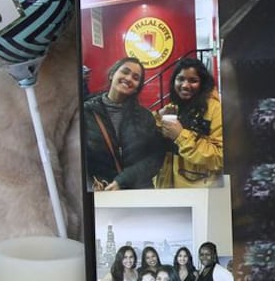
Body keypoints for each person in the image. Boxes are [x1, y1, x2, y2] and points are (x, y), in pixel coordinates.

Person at [82, 56, 164, 191]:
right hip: (103, 193)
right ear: (112, 74)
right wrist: (91, 184)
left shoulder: (145, 116)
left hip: (138, 192)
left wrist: (123, 181)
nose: (129, 78)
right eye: (125, 72)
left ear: (138, 87)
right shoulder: (86, 112)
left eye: (136, 78)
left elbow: (154, 159)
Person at [155, 56, 224, 188]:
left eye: (193, 80)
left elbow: (220, 157)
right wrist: (158, 117)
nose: (185, 85)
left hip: (199, 193)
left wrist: (181, 136)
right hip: (168, 189)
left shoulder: (215, 110)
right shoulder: (174, 107)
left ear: (202, 83)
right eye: (180, 79)